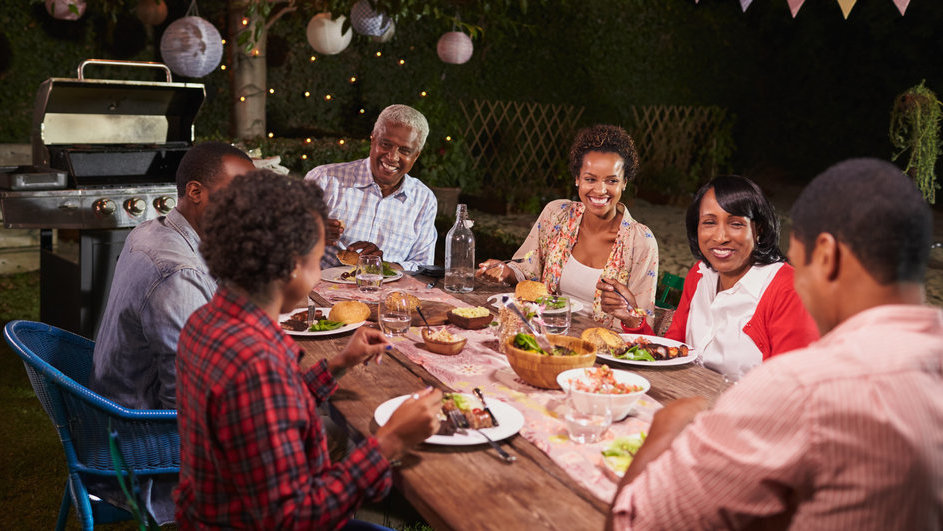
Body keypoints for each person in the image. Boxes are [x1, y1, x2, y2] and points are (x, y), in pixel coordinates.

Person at [608, 158, 943, 529]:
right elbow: (675, 348)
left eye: (800, 265)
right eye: (709, 222)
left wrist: (666, 427)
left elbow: (633, 521)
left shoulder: (799, 387)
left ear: (827, 257)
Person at [174, 170, 442, 529]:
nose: (319, 276)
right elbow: (294, 518)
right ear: (291, 267)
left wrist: (338, 364)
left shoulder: (207, 321)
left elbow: (264, 412)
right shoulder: (259, 364)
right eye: (318, 261)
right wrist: (390, 442)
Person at [86, 141, 255, 524]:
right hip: (145, 445)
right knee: (314, 425)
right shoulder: (178, 272)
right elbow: (189, 402)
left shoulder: (153, 230)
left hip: (115, 413)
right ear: (195, 191)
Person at [600, 175, 818, 378]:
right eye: (709, 222)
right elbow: (671, 353)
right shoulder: (699, 274)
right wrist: (632, 318)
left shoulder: (790, 289)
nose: (720, 237)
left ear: (758, 230)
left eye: (736, 224)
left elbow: (793, 389)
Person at [477, 124, 659, 328]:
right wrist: (506, 271)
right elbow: (526, 269)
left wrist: (630, 314)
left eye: (611, 181)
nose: (600, 190)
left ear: (624, 182)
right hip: (544, 331)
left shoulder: (640, 241)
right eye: (590, 179)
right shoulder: (556, 215)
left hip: (602, 348)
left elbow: (643, 322)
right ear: (577, 179)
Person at [304, 104, 437, 272]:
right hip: (318, 293)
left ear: (416, 155)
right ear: (373, 139)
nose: (392, 157)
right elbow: (280, 242)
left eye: (404, 150)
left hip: (388, 295)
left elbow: (422, 266)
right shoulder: (325, 180)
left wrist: (380, 266)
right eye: (386, 144)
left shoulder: (423, 199)